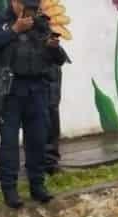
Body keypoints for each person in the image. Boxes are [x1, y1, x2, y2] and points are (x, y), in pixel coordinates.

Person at [0, 0, 67, 209]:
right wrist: (14, 30)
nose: (29, 9)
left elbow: (59, 58)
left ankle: (38, 185)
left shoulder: (41, 23)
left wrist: (52, 47)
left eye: (33, 4)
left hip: (37, 90)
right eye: (24, 4)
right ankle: (9, 189)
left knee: (37, 139)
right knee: (9, 142)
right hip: (10, 92)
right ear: (13, 2)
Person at [43, 40, 70, 176]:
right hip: (39, 86)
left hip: (52, 86)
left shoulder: (45, 30)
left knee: (52, 122)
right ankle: (44, 162)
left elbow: (60, 58)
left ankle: (50, 161)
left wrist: (54, 46)